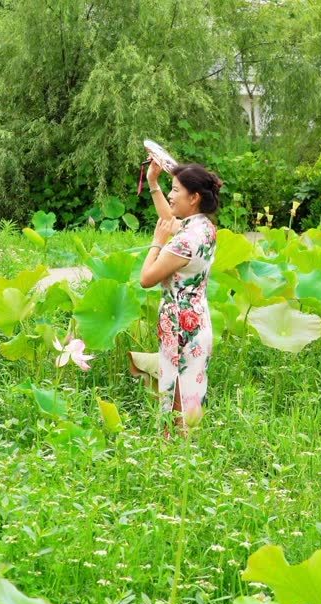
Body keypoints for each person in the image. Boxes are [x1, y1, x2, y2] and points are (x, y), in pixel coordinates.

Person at [139, 158, 220, 429]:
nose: (171, 196)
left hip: (179, 328)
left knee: (175, 397)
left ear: (194, 197)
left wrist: (156, 243)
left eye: (175, 190)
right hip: (198, 321)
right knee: (191, 394)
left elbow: (146, 279)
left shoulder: (184, 242)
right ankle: (188, 455)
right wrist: (153, 182)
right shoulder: (205, 228)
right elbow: (169, 219)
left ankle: (174, 454)